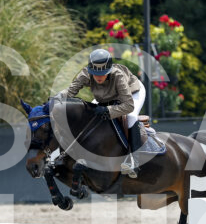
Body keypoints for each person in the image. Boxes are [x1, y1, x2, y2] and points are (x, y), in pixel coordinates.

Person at [57, 48, 146, 177]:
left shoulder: (118, 76)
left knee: (131, 116)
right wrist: (57, 98)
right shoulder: (85, 74)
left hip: (132, 93)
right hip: (107, 96)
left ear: (109, 71)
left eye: (103, 73)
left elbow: (128, 105)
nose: (99, 77)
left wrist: (108, 110)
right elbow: (70, 91)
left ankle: (134, 160)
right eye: (95, 73)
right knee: (92, 114)